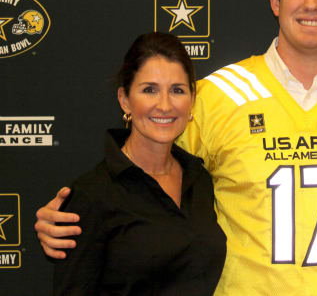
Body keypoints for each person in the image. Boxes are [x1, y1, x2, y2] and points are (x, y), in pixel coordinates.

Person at [37, 0, 317, 296]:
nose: (312, 3)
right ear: (276, 2)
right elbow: (139, 181)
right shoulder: (217, 96)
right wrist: (74, 216)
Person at [53, 32, 226, 295]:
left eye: (177, 90)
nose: (165, 105)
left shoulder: (200, 179)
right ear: (124, 99)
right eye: (150, 90)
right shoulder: (92, 195)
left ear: (192, 98)